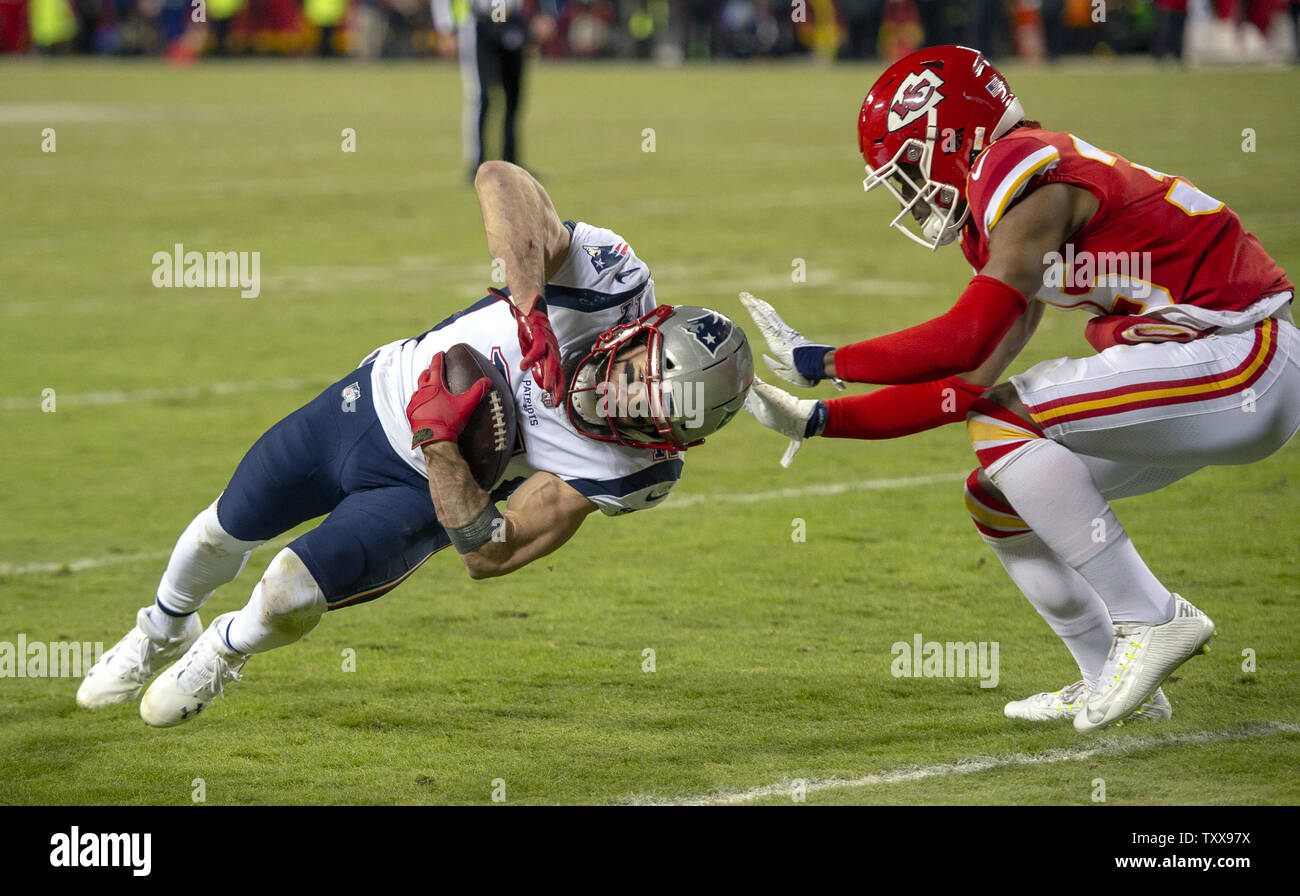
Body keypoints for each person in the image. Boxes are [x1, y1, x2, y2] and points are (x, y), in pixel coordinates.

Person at [77, 161, 753, 727]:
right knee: (219, 530)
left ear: (671, 438)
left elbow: (494, 552)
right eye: (634, 374)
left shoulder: (637, 470)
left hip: (421, 496)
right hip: (369, 401)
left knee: (287, 595)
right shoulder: (613, 283)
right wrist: (530, 309)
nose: (616, 396)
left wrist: (442, 451)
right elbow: (498, 179)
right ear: (641, 330)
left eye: (643, 410)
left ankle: (227, 645)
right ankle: (160, 629)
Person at [743, 46, 1297, 732]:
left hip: (1244, 355)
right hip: (1214, 369)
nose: (911, 189)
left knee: (1009, 424)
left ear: (951, 134)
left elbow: (963, 339)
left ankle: (1151, 618)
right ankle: (1112, 678)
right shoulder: (1014, 200)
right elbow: (964, 386)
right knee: (998, 496)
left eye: (911, 164)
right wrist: (820, 419)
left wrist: (826, 357)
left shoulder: (1016, 162)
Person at [432, 0, 557, 182]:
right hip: (480, 23)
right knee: (480, 97)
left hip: (512, 20)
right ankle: (477, 163)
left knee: (514, 96)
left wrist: (545, 13)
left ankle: (513, 161)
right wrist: (446, 26)